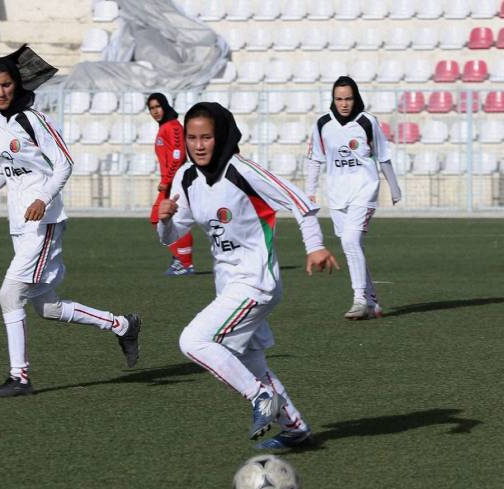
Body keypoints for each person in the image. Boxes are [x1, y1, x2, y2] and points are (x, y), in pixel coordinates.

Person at [158, 102, 339, 450]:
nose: (198, 145)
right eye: (192, 138)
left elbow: (299, 201)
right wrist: (165, 219)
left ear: (221, 135)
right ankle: (295, 429)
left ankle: (261, 398)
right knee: (250, 361)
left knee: (193, 341)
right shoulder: (185, 177)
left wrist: (315, 246)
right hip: (229, 285)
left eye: (206, 137)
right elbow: (171, 236)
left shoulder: (241, 170)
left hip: (256, 281)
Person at [0, 46, 141, 398]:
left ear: (16, 85)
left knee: (8, 294)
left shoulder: (33, 120)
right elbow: (5, 170)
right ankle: (122, 325)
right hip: (19, 223)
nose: (0, 92)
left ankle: (20, 377)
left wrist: (42, 198)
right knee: (46, 307)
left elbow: (64, 163)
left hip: (43, 221)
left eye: (6, 85)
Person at [305, 76, 401, 320]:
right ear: (333, 99)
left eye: (348, 98)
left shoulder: (367, 122)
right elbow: (315, 158)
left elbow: (382, 156)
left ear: (355, 98)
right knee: (351, 244)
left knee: (350, 240)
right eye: (339, 99)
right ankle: (372, 302)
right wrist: (310, 190)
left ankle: (359, 299)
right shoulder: (323, 124)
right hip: (337, 193)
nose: (344, 104)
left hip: (364, 189)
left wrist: (394, 186)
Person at [147, 92, 194, 276]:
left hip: (174, 181)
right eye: (151, 108)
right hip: (169, 180)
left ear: (165, 106)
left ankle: (184, 262)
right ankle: (181, 260)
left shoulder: (172, 126)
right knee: (160, 218)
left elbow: (178, 154)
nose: (155, 111)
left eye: (158, 106)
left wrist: (167, 181)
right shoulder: (164, 127)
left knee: (163, 217)